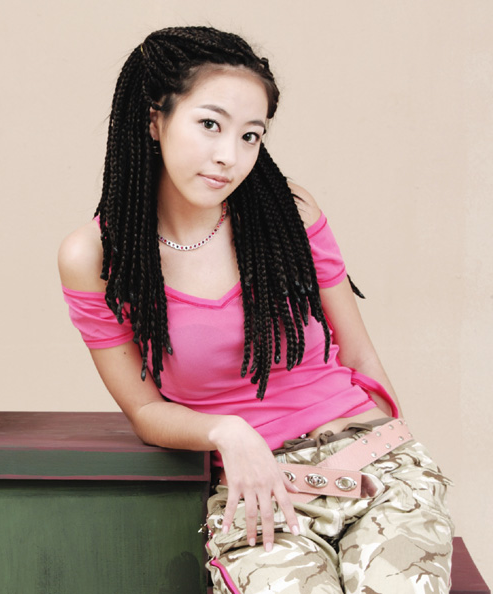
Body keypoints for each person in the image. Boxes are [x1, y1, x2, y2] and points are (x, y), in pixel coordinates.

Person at [58, 26, 453, 594]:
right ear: (154, 120)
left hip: (380, 467)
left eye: (250, 135)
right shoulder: (96, 256)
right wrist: (228, 431)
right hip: (260, 488)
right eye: (210, 125)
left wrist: (400, 454)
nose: (229, 156)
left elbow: (360, 354)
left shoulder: (288, 213)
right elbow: (145, 410)